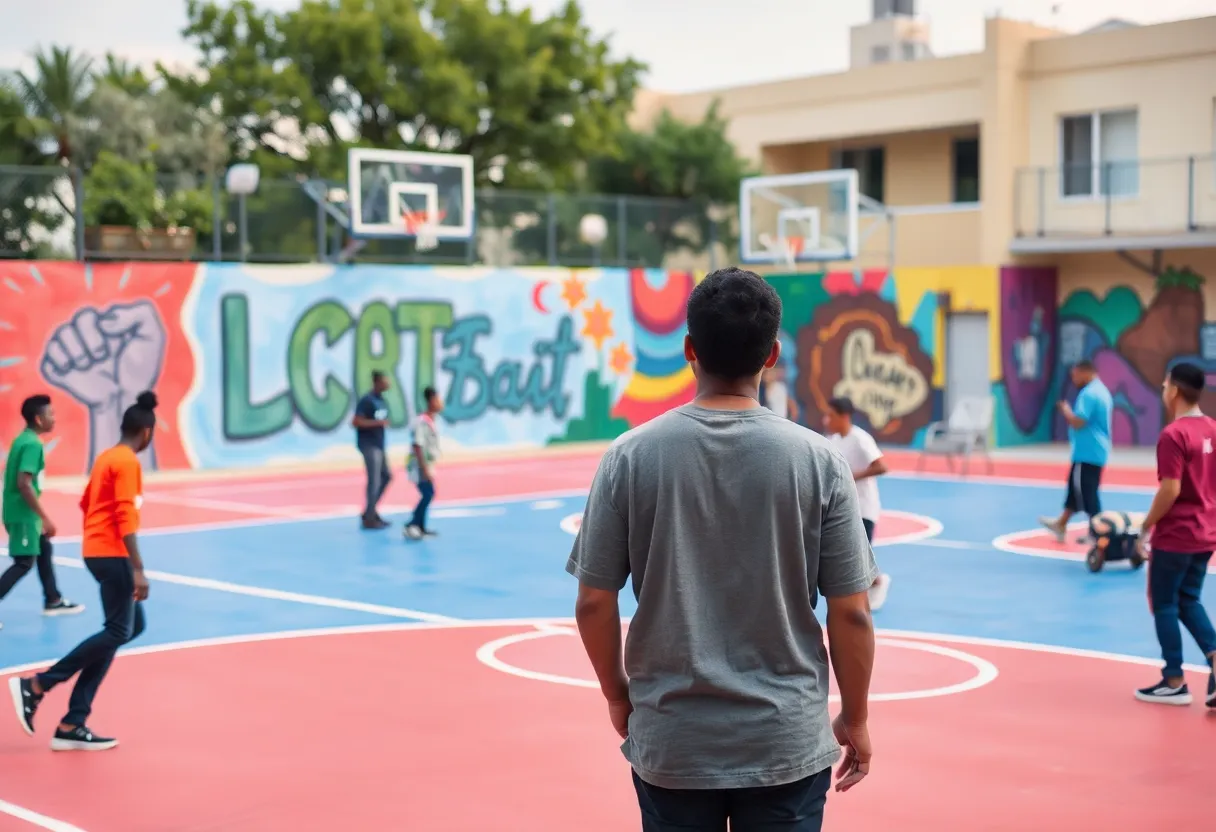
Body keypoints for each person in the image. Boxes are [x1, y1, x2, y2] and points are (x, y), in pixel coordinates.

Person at [567, 267, 877, 832]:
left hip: (673, 741)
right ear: (772, 355)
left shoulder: (629, 457)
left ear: (689, 349)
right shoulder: (820, 461)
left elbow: (593, 601)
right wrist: (855, 717)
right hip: (785, 740)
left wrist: (618, 695)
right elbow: (851, 609)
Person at [8, 391, 157, 751]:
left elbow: (85, 503)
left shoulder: (107, 457)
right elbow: (125, 514)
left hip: (96, 551)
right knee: (120, 628)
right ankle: (39, 685)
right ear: (148, 434)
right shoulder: (127, 463)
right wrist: (137, 567)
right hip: (113, 554)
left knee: (127, 627)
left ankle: (73, 722)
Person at [1133, 362, 1216, 708]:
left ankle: (1174, 680)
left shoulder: (1173, 435)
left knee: (1165, 603)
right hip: (1206, 532)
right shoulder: (1211, 428)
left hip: (1177, 534)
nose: (1163, 390)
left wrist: (1145, 526)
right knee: (1188, 600)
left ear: (1175, 391)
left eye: (1165, 384)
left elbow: (1170, 489)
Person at [1, 394, 83, 624]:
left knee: (44, 549)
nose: (54, 419)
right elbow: (24, 484)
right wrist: (45, 518)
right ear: (38, 419)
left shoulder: (23, 439)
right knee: (24, 563)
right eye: (51, 414)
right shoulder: (32, 444)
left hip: (19, 510)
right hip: (23, 513)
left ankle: (53, 599)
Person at [823, 397, 893, 611]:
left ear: (844, 417)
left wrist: (851, 476)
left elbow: (881, 466)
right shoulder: (833, 439)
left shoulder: (860, 439)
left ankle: (877, 582)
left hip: (863, 507)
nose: (826, 420)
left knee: (860, 554)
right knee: (846, 554)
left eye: (831, 416)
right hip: (842, 507)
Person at [1039, 359, 1112, 543]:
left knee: (1088, 493)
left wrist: (1066, 411)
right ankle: (1061, 524)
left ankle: (1098, 533)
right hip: (1093, 451)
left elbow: (1078, 422)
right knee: (1075, 489)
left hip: (1088, 452)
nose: (1073, 379)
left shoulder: (1089, 394)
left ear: (1085, 372)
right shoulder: (1101, 390)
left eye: (1075, 374)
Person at [353, 371, 393, 530]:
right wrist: (377, 423)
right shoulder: (367, 400)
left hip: (379, 444)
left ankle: (370, 509)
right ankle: (369, 517)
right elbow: (356, 421)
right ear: (377, 382)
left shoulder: (381, 400)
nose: (388, 383)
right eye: (385, 380)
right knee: (374, 480)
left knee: (387, 476)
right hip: (369, 445)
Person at [403, 387, 443, 541]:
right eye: (438, 399)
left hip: (427, 464)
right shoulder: (422, 422)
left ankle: (420, 526)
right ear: (432, 400)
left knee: (428, 494)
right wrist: (424, 468)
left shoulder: (432, 420)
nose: (441, 403)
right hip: (420, 465)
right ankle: (412, 524)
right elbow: (417, 446)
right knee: (428, 493)